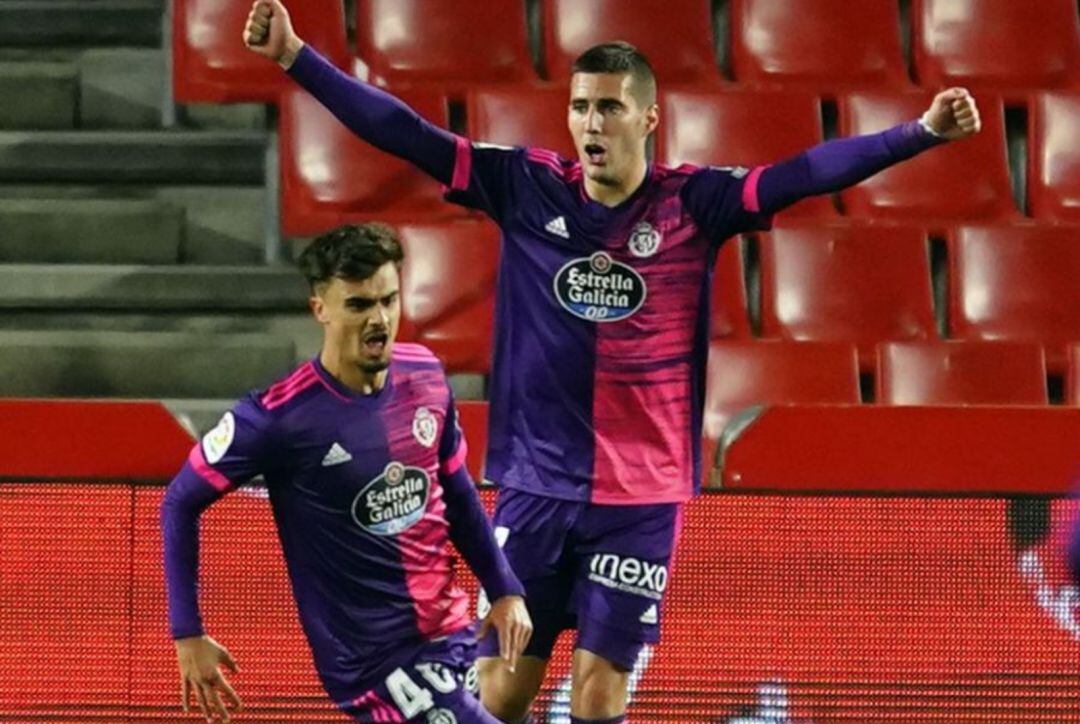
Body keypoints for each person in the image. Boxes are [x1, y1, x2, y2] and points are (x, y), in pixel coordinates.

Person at [242, 4, 982, 721]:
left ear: (648, 119)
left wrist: (916, 134)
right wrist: (295, 58)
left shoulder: (696, 203)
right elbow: (407, 134)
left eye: (609, 108)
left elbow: (805, 172)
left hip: (641, 499)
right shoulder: (525, 186)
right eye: (581, 107)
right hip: (536, 486)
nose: (591, 124)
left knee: (598, 698)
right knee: (498, 694)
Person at [161, 223, 532, 723]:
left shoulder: (424, 374)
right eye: (359, 305)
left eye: (389, 300)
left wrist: (504, 588)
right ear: (321, 310)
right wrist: (187, 632)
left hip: (453, 634)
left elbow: (457, 491)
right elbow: (181, 500)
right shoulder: (277, 417)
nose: (379, 319)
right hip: (375, 665)